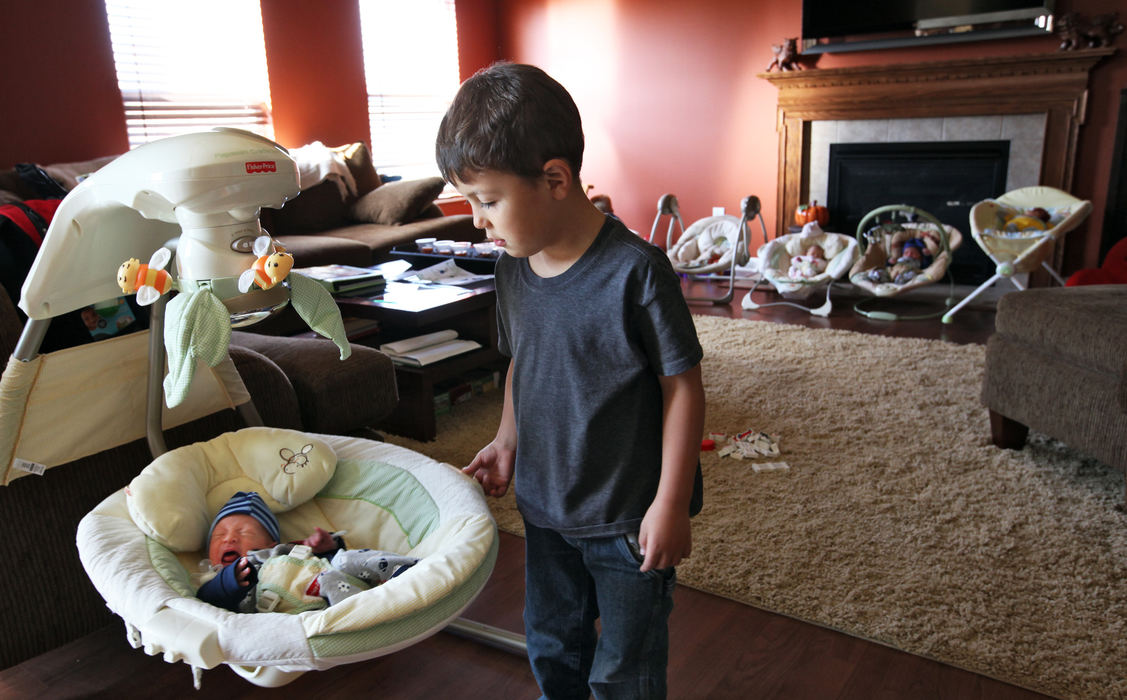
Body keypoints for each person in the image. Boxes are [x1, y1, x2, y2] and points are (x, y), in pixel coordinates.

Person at [436, 62, 706, 699]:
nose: (477, 221)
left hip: (627, 517)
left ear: (554, 179)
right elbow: (521, 365)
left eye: (488, 200)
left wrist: (669, 503)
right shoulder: (512, 271)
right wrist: (507, 441)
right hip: (546, 507)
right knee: (552, 643)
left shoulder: (637, 272)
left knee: (624, 668)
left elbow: (683, 387)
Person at [197, 491, 417, 613]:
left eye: (243, 532)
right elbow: (206, 600)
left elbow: (322, 561)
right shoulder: (216, 579)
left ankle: (406, 570)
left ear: (269, 543)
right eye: (219, 535)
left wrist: (327, 545)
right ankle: (369, 613)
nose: (229, 538)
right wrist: (228, 579)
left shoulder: (282, 552)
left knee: (344, 560)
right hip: (295, 612)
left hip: (326, 578)